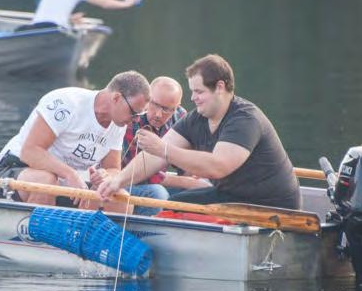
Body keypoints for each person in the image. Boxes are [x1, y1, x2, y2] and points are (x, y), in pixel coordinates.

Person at [98, 54, 302, 210]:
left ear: (220, 87)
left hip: (272, 207)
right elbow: (153, 156)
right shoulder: (196, 118)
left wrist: (164, 150)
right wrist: (118, 181)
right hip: (231, 197)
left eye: (199, 92)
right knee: (172, 207)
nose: (193, 98)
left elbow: (218, 166)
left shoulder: (245, 119)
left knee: (174, 210)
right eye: (192, 92)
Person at [0, 71, 150, 210]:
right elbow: (30, 152)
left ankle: (93, 243)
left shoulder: (119, 121)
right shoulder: (68, 103)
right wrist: (69, 174)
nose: (135, 120)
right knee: (46, 180)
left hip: (66, 183)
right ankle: (39, 242)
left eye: (139, 115)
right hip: (14, 168)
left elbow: (113, 168)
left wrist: (106, 176)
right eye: (134, 113)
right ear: (116, 98)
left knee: (120, 198)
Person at [94, 76, 205, 215]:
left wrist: (193, 179)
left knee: (203, 191)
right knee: (157, 193)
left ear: (176, 107)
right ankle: (145, 234)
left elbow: (187, 165)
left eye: (166, 109)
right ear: (147, 98)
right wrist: (187, 182)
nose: (158, 114)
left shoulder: (181, 118)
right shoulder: (130, 118)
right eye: (154, 104)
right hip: (120, 183)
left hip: (156, 182)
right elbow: (141, 176)